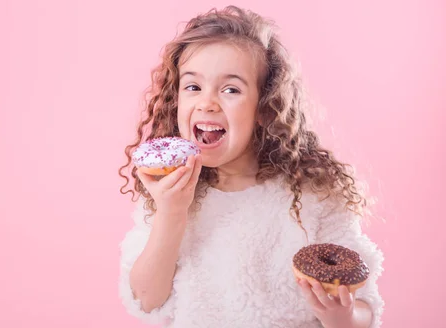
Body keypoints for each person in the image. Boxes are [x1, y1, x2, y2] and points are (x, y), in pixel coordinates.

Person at [117, 5, 384, 328]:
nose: (207, 102)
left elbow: (365, 304)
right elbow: (145, 299)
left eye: (231, 89)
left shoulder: (313, 197)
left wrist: (342, 316)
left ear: (265, 107)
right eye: (193, 87)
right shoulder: (166, 194)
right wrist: (171, 213)